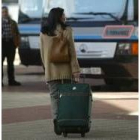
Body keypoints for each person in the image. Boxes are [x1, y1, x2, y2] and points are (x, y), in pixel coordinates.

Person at [40, 7, 80, 135]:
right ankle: (66, 122)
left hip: (51, 71)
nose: (65, 16)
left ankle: (57, 120)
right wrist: (76, 70)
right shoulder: (67, 30)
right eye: (63, 14)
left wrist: (46, 69)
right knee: (67, 97)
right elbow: (72, 52)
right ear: (59, 17)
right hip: (66, 70)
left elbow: (42, 53)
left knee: (54, 96)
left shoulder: (43, 32)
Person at [2, 6, 21, 86]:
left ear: (8, 12)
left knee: (10, 63)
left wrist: (17, 43)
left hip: (10, 44)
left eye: (6, 12)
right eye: (3, 12)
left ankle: (11, 80)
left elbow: (17, 33)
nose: (4, 13)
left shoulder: (13, 22)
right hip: (2, 44)